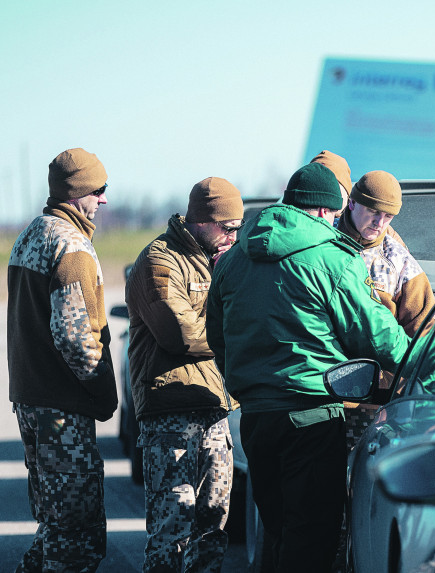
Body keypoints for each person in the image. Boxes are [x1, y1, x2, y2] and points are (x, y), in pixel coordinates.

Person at [206, 162, 411, 572]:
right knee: (312, 538)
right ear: (322, 210)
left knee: (278, 529)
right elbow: (376, 336)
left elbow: (218, 335)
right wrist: (422, 364)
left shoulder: (233, 258)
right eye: (334, 214)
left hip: (256, 419)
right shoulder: (333, 259)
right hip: (312, 417)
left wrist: (250, 385)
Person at [125, 177, 244, 572]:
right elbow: (179, 334)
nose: (233, 236)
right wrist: (236, 330)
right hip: (170, 413)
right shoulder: (159, 260)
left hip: (214, 409)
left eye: (238, 228)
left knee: (213, 524)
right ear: (202, 221)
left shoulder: (224, 260)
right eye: (227, 227)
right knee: (172, 526)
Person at [7, 147, 117, 572]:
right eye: (97, 189)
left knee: (54, 524)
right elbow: (75, 337)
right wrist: (103, 392)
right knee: (76, 534)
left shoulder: (30, 234)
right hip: (61, 410)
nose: (104, 198)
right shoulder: (71, 246)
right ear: (76, 193)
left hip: (32, 402)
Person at [337, 170, 434, 337]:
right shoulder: (323, 239)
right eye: (373, 211)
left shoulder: (401, 262)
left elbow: (422, 332)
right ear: (352, 203)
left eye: (388, 216)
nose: (379, 223)